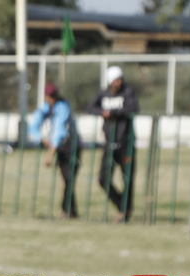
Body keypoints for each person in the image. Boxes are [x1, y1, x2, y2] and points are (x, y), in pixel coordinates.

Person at [85, 66, 139, 222]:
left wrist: (114, 112)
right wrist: (103, 112)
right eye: (116, 79)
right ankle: (123, 206)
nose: (118, 82)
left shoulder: (128, 92)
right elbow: (90, 107)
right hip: (109, 142)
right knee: (103, 179)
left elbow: (133, 108)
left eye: (120, 79)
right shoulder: (103, 94)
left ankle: (125, 212)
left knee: (127, 178)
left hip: (126, 143)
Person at [28, 83, 81, 218]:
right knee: (67, 180)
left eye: (52, 96)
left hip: (72, 147)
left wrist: (50, 154)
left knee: (69, 179)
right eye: (48, 96)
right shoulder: (45, 108)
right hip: (59, 148)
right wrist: (41, 139)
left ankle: (67, 210)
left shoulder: (63, 107)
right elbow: (33, 126)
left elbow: (60, 131)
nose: (50, 98)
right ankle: (71, 211)